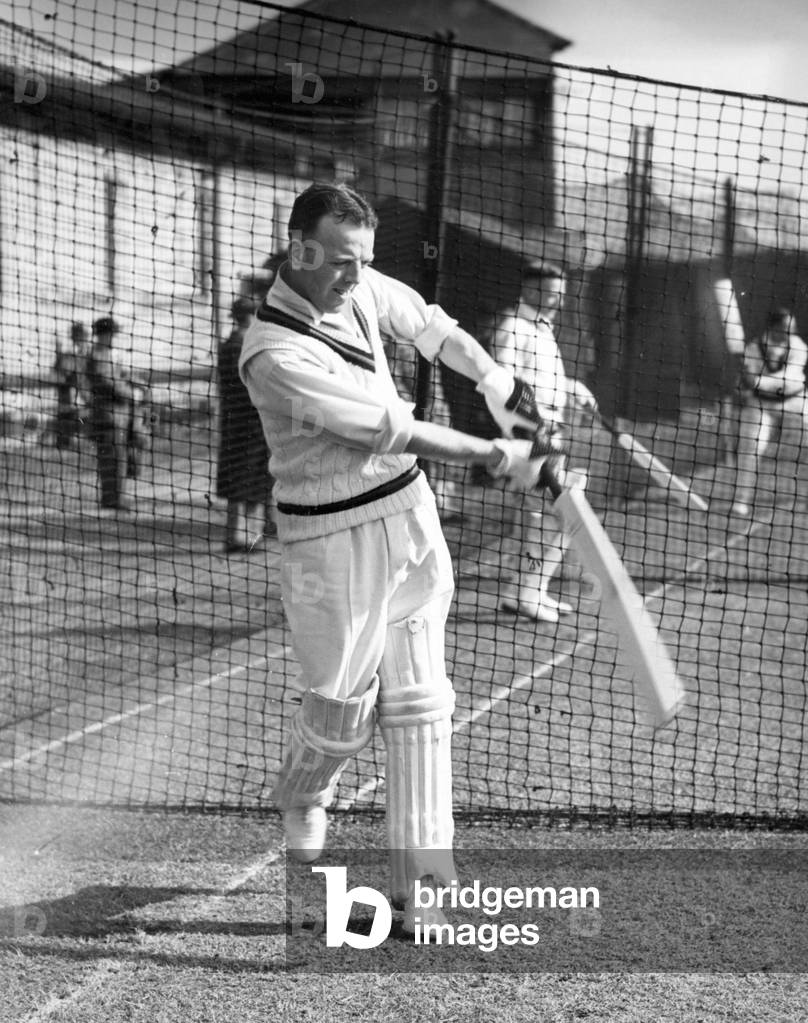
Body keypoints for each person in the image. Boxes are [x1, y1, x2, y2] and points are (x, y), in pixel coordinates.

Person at [238, 182, 552, 933]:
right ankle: (305, 791)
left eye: (365, 260)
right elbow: (390, 430)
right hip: (327, 541)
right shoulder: (272, 351)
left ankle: (427, 889)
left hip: (409, 519)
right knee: (340, 714)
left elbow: (436, 330)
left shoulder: (363, 282)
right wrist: (496, 451)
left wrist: (502, 383)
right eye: (343, 261)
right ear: (300, 247)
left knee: (420, 705)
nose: (356, 276)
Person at [489, 262, 597, 622]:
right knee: (554, 512)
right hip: (531, 435)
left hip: (552, 429)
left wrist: (573, 388)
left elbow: (539, 379)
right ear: (531, 290)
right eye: (552, 292)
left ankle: (527, 591)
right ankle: (527, 593)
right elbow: (502, 384)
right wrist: (527, 429)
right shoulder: (514, 326)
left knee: (551, 515)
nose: (559, 300)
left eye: (562, 293)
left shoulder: (542, 328)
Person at [733, 307, 808, 515]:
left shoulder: (799, 347)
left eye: (792, 328)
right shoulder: (754, 348)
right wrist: (743, 383)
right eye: (786, 328)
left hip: (795, 401)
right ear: (773, 327)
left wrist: (755, 380)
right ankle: (741, 500)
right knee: (750, 446)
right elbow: (745, 383)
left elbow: (788, 378)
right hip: (761, 404)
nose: (790, 331)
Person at [217, 296, 274, 553]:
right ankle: (242, 536)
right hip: (252, 420)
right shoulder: (245, 344)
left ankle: (244, 534)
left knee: (241, 478)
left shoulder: (229, 343)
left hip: (234, 420)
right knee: (250, 478)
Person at [86, 316, 137, 511]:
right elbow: (107, 384)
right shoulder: (98, 356)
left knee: (117, 458)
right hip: (108, 416)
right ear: (105, 335)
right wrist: (130, 393)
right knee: (112, 459)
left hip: (116, 415)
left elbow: (117, 377)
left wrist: (130, 380)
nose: (114, 338)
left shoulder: (105, 355)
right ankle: (113, 499)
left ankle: (115, 497)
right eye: (112, 334)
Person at [53, 322, 89, 449]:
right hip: (70, 400)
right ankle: (65, 441)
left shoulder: (84, 354)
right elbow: (62, 371)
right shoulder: (68, 356)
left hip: (81, 399)